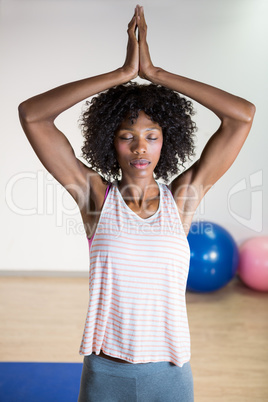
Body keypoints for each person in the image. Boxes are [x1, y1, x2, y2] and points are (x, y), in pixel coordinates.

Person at [18, 5, 255, 402]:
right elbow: (33, 116)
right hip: (106, 375)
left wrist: (156, 74)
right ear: (111, 140)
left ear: (167, 140)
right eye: (127, 135)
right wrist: (122, 75)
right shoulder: (95, 197)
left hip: (170, 376)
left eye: (152, 134)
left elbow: (242, 117)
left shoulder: (182, 199)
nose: (140, 146)